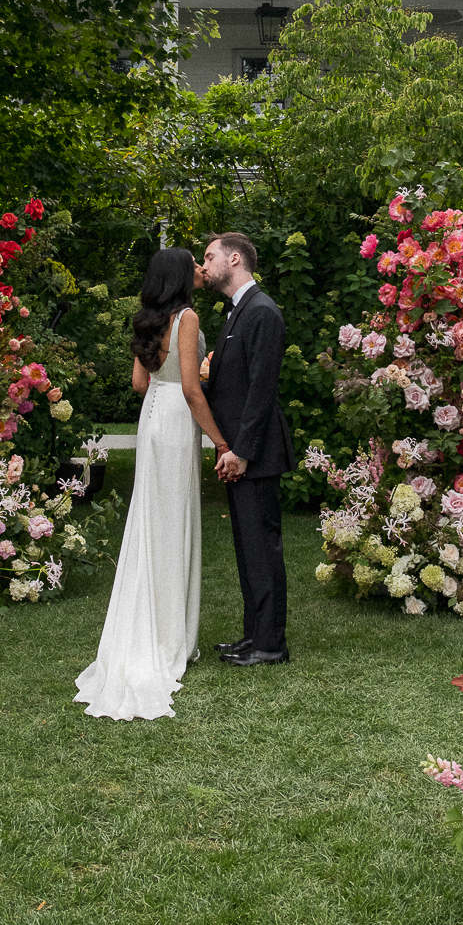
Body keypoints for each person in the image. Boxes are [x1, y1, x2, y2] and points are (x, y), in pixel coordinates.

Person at [74, 248, 229, 721]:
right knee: (173, 520)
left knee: (153, 521)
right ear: (182, 276)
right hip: (178, 422)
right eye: (196, 265)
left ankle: (158, 625)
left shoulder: (147, 320)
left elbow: (141, 385)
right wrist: (221, 442)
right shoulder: (186, 318)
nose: (203, 270)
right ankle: (167, 638)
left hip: (151, 421)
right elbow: (188, 388)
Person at [201, 232, 297, 666]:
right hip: (239, 451)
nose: (204, 266)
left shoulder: (262, 312)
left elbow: (261, 389)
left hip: (254, 454)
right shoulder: (238, 312)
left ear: (234, 258)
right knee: (247, 548)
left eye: (209, 257)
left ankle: (270, 644)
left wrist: (240, 451)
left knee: (262, 549)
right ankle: (253, 634)